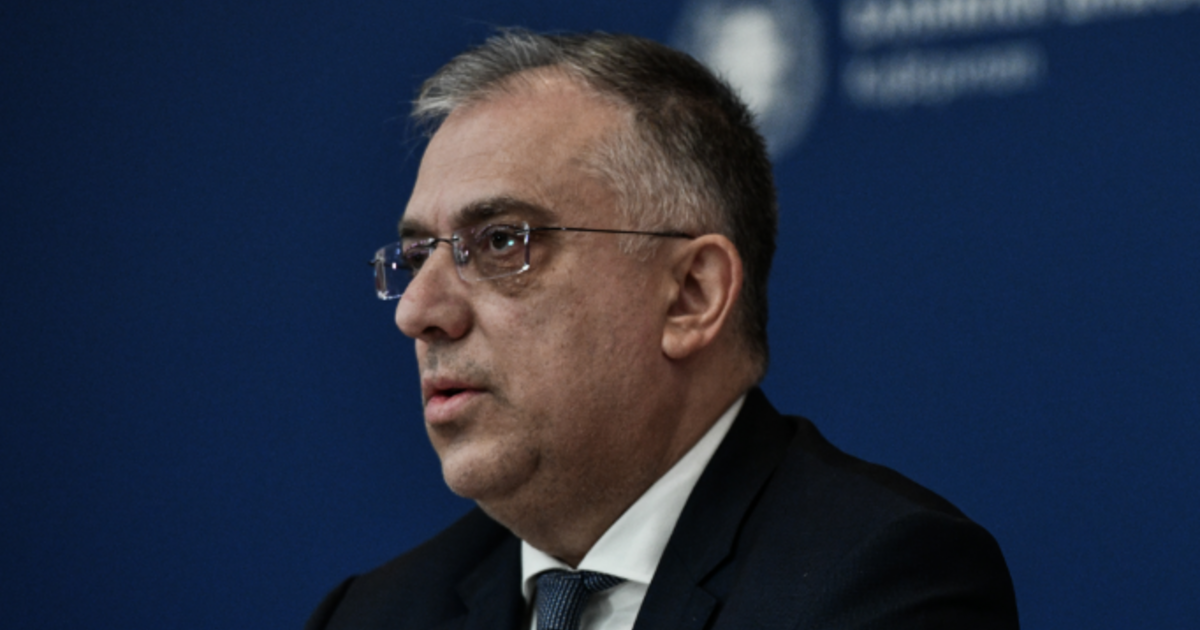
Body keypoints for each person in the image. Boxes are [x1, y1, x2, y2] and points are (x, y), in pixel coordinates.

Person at [308, 30, 1019, 630]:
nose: (417, 312)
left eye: (500, 243)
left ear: (691, 295)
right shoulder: (373, 616)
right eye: (416, 256)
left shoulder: (880, 585)